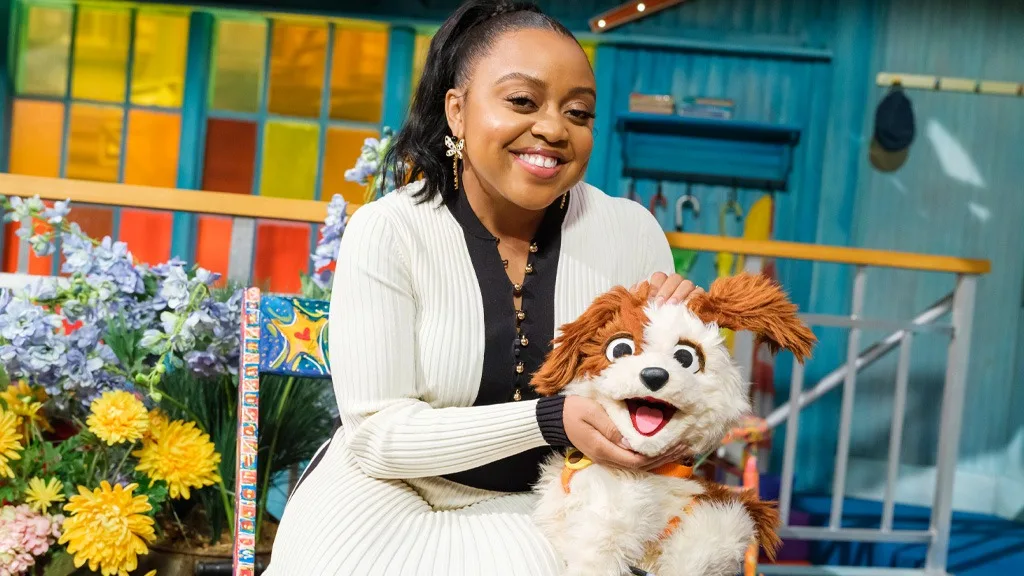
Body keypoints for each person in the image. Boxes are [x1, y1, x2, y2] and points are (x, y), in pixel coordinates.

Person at [266, 1, 700, 574]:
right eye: (522, 101)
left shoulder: (631, 234)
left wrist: (686, 357)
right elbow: (377, 437)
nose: (553, 128)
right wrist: (548, 420)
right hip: (387, 504)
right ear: (457, 111)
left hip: (562, 506)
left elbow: (679, 435)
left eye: (578, 112)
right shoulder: (389, 231)